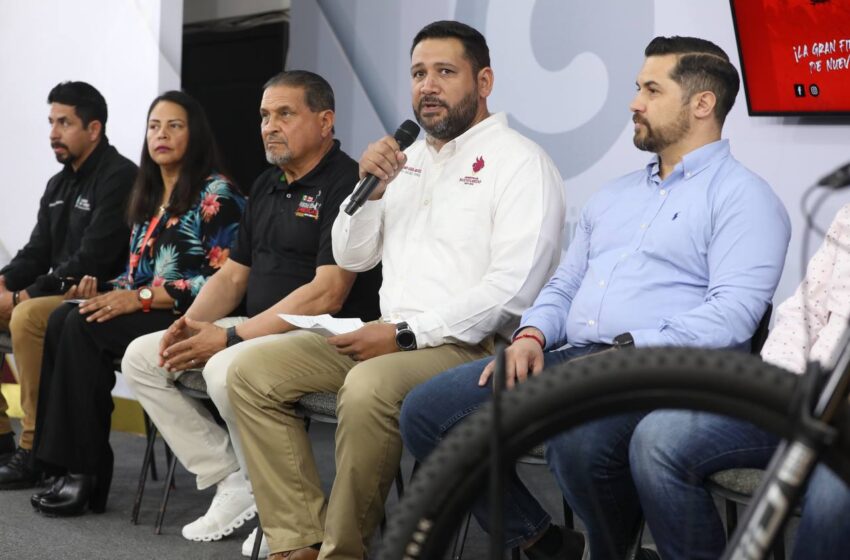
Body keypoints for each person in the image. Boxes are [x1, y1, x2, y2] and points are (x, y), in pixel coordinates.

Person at [400, 35, 791, 560]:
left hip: (668, 372)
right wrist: (533, 333)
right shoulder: (615, 195)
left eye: (651, 89)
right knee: (426, 411)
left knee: (578, 442)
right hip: (576, 359)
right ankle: (543, 542)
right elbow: (563, 285)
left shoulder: (746, 197)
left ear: (702, 104)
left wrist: (627, 350)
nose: (634, 102)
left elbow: (734, 316)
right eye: (636, 88)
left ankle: (613, 550)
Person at [227, 20, 566, 560]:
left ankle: (344, 551)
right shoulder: (405, 162)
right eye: (417, 74)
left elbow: (513, 292)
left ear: (484, 82)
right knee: (249, 371)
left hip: (469, 347)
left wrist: (406, 335)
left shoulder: (521, 163)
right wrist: (372, 194)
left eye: (444, 72)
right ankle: (298, 541)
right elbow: (354, 254)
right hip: (386, 336)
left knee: (367, 388)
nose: (427, 86)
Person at [121, 70, 382, 555]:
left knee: (226, 366)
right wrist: (191, 325)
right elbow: (233, 276)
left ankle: (284, 511)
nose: (269, 126)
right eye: (264, 116)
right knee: (145, 355)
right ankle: (232, 478)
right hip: (257, 330)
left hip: (324, 335)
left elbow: (327, 294)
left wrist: (233, 336)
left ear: (325, 121)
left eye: (285, 114)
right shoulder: (265, 184)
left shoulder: (348, 182)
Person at [27, 90, 245, 516]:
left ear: (195, 134)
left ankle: (85, 473)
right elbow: (134, 275)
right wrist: (104, 290)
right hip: (147, 307)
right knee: (64, 317)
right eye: (154, 126)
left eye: (174, 126)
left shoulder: (218, 194)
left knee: (83, 328)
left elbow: (222, 280)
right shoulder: (146, 197)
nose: (161, 135)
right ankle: (61, 465)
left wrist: (139, 297)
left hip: (189, 315)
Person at [631, 203, 850, 559]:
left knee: (833, 496)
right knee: (657, 438)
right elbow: (802, 312)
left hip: (845, 427)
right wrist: (781, 383)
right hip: (800, 395)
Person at [0, 81, 136, 486]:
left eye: (64, 123)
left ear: (94, 129)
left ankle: (33, 450)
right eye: (51, 122)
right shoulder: (59, 184)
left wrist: (21, 295)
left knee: (25, 315)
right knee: (18, 307)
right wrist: (4, 281)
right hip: (52, 292)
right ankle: (2, 441)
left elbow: (91, 258)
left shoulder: (120, 177)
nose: (53, 133)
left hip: (96, 297)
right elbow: (36, 251)